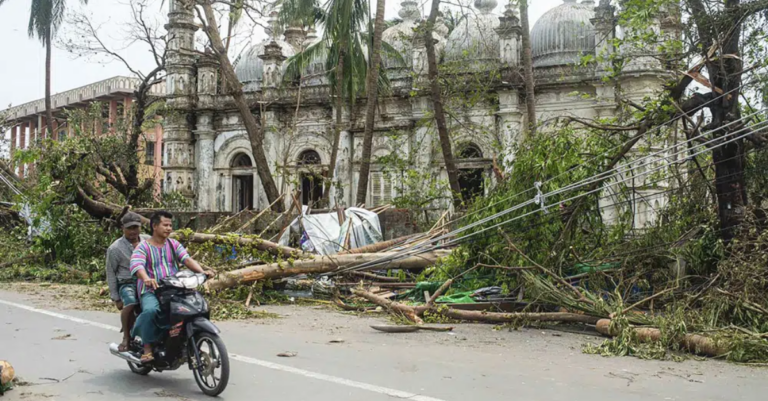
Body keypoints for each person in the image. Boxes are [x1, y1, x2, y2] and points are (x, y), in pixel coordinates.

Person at [130, 210, 212, 363]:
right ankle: (147, 347)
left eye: (170, 225)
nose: (169, 228)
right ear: (154, 226)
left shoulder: (173, 244)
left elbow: (187, 260)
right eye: (165, 225)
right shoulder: (142, 247)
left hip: (175, 288)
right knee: (151, 310)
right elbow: (137, 265)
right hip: (151, 290)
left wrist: (203, 272)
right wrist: (147, 278)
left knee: (194, 307)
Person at [106, 212, 149, 352]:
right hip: (127, 282)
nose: (133, 231)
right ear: (122, 228)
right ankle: (126, 337)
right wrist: (116, 298)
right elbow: (111, 272)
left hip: (146, 280)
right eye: (129, 228)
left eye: (135, 227)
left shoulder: (148, 241)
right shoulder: (115, 248)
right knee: (130, 302)